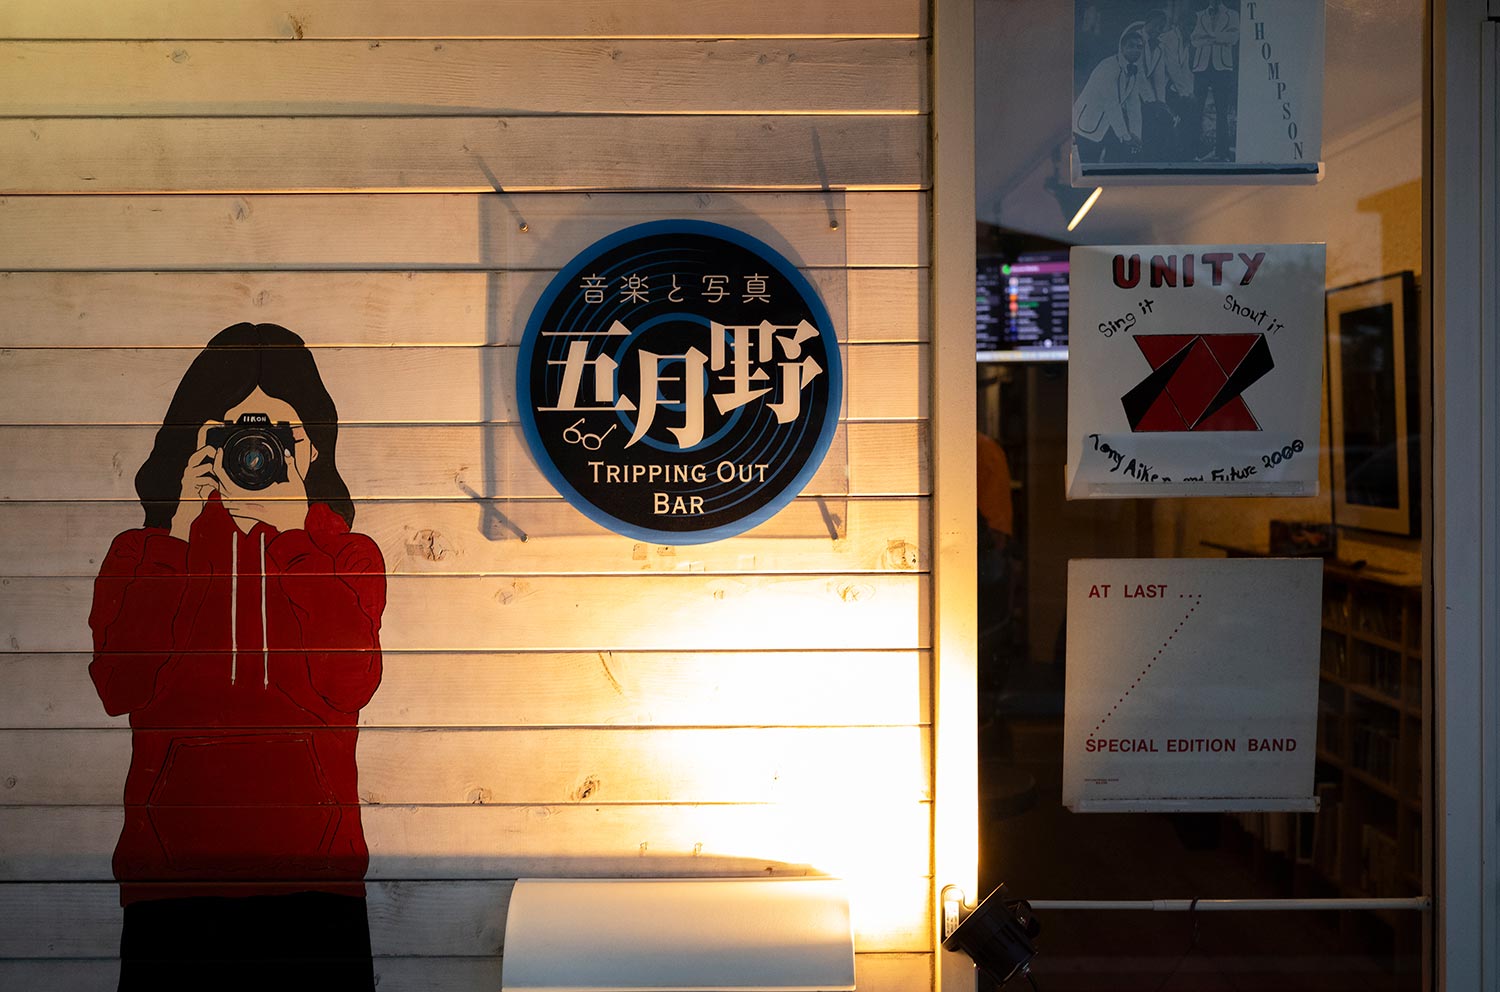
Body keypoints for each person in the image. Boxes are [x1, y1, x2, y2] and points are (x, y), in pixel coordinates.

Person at [89, 322, 386, 990]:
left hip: (319, 880)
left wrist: (295, 537)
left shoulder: (346, 554)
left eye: (279, 436)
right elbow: (118, 685)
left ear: (312, 445)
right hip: (170, 881)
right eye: (233, 435)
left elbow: (351, 683)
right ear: (197, 442)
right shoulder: (144, 553)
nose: (256, 455)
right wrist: (176, 533)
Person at [1073, 23, 1150, 164]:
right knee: (1088, 166)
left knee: (1109, 163)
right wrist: (1126, 136)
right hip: (1087, 124)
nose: (1136, 50)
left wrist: (1136, 136)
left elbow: (1134, 106)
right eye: (1131, 46)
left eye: (1139, 47)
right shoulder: (1108, 67)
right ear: (1122, 48)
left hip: (1106, 125)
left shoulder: (1134, 71)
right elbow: (1111, 104)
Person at [1191, 0, 1240, 161]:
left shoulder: (1232, 15)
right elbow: (1194, 40)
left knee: (1222, 111)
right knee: (1196, 109)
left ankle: (1222, 151)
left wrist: (1209, 37)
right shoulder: (1199, 15)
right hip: (1201, 67)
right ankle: (1194, 150)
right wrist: (1219, 38)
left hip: (1222, 68)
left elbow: (1233, 38)